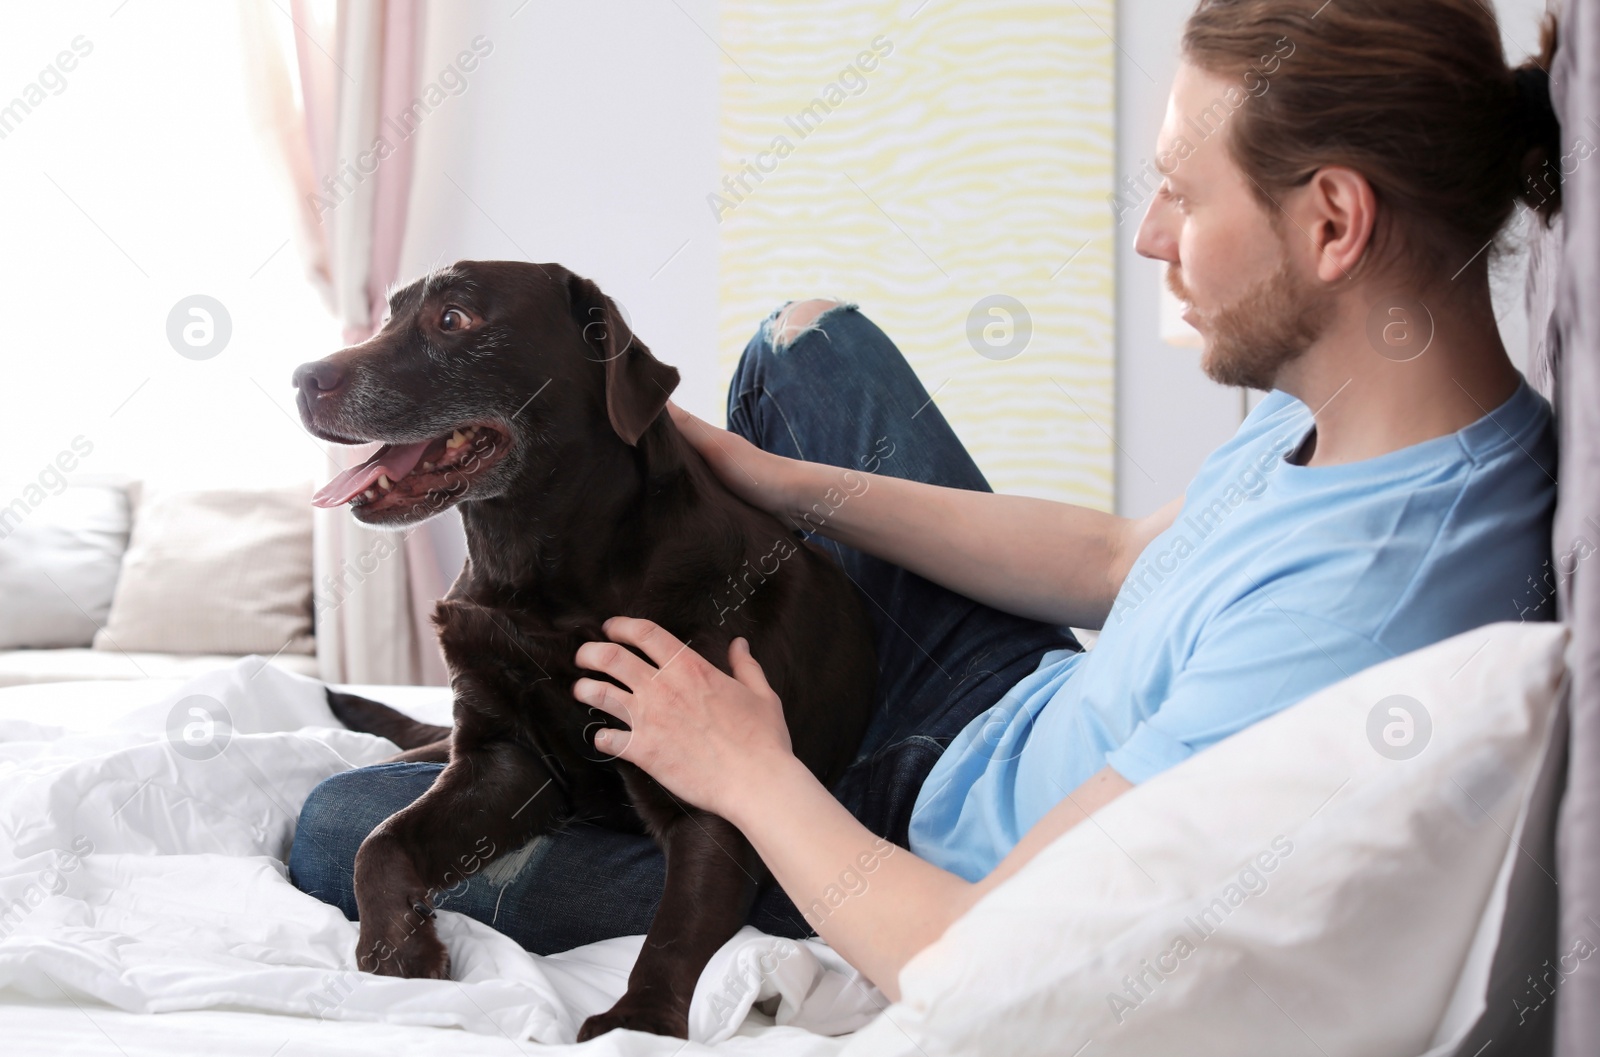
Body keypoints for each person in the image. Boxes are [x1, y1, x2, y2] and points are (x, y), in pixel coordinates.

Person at [291, 0, 1564, 1003]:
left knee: (341, 827)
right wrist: (770, 477)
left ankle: (590, 746)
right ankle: (589, 704)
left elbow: (988, 951)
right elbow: (1122, 563)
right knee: (801, 346)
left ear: (1334, 219)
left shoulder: (1358, 607)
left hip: (901, 837)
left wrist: (747, 771)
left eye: (1184, 189)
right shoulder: (1345, 402)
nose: (1151, 234)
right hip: (1004, 701)